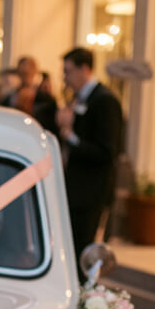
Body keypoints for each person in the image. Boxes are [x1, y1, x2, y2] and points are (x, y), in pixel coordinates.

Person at [57, 46, 123, 263]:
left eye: (68, 71)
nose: (65, 77)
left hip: (90, 193)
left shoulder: (105, 100)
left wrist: (70, 136)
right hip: (75, 190)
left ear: (84, 69)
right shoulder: (79, 99)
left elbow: (107, 151)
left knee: (83, 253)